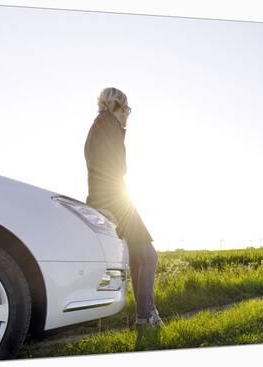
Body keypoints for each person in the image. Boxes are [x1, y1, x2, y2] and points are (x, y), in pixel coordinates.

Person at [84, 87, 165, 331]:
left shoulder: (102, 126)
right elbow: (107, 168)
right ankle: (146, 316)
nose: (128, 113)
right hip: (115, 199)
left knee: (140, 256)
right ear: (115, 106)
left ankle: (145, 317)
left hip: (111, 198)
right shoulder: (108, 124)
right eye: (126, 108)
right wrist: (104, 204)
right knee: (148, 255)